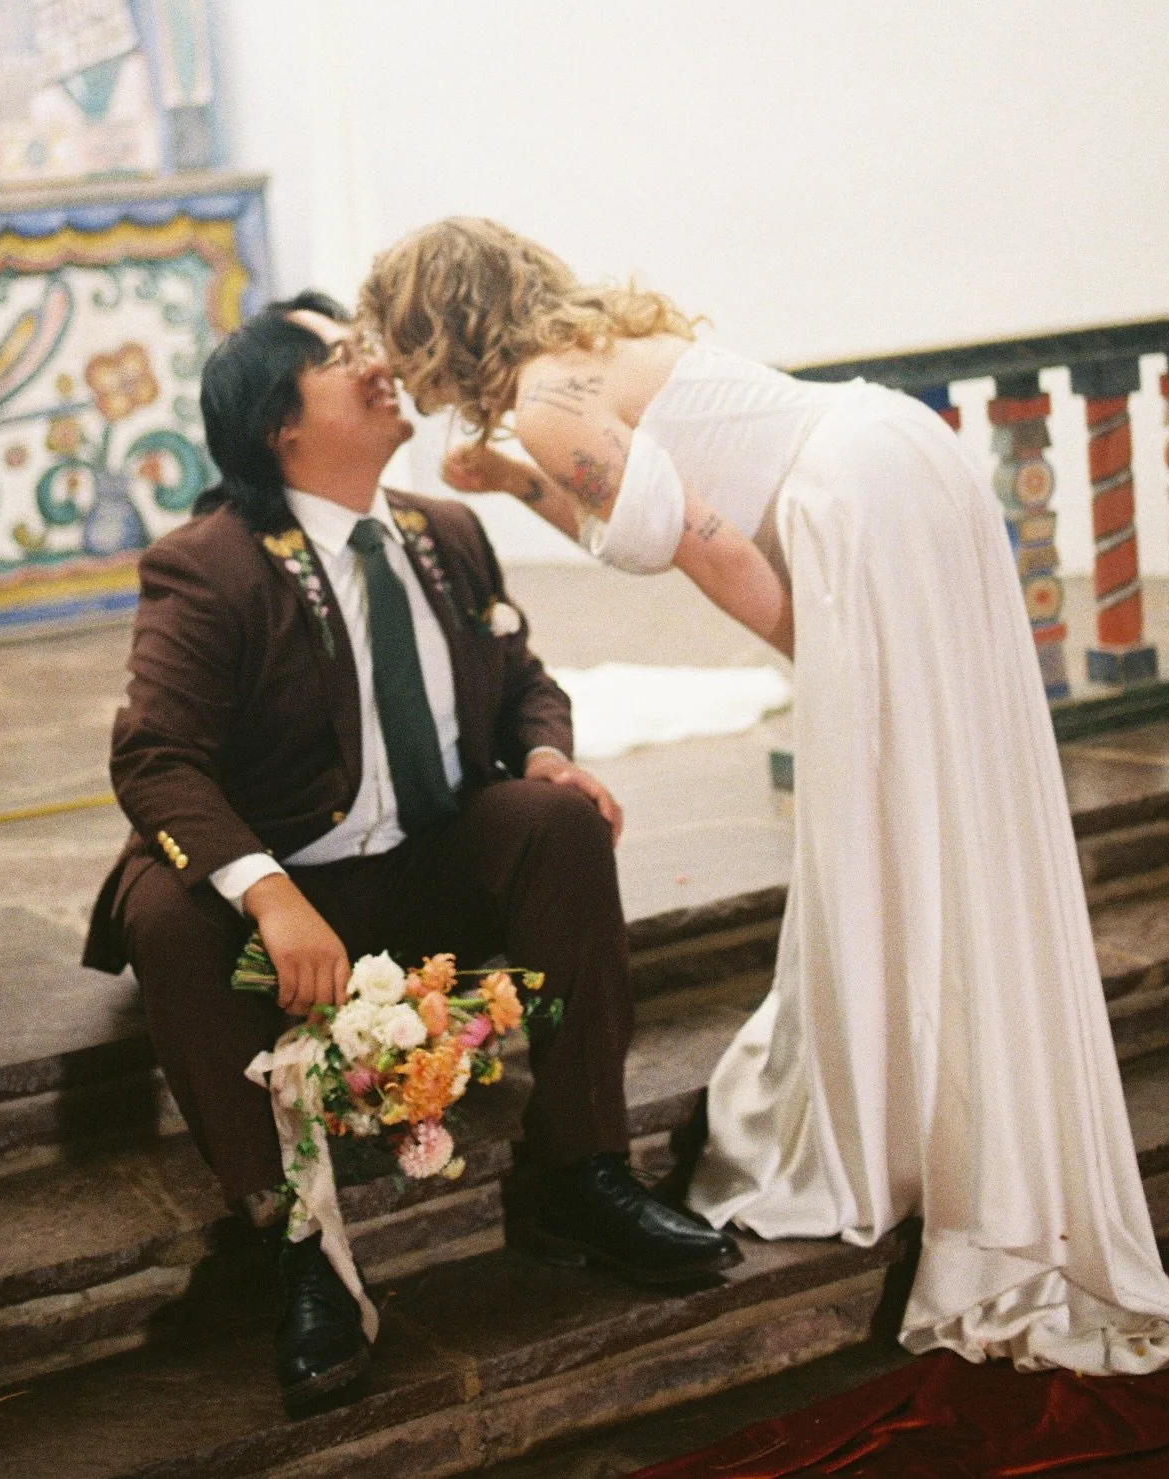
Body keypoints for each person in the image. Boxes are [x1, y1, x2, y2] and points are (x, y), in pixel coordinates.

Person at [358, 218, 1169, 1376]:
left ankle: (931, 1127)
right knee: (946, 803)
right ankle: (962, 1095)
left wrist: (827, 660)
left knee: (885, 817)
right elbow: (645, 515)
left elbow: (709, 547)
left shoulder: (550, 400)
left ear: (432, 331)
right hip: (896, 455)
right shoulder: (587, 356)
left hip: (860, 509)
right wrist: (515, 480)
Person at [81, 290, 738, 1415]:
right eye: (341, 355)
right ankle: (298, 1247)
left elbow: (523, 679)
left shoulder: (444, 534)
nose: (377, 361)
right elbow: (155, 758)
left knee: (559, 823)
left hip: (422, 861)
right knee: (165, 911)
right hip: (289, 884)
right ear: (280, 423)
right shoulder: (210, 565)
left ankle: (580, 1172)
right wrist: (270, 892)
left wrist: (544, 754)